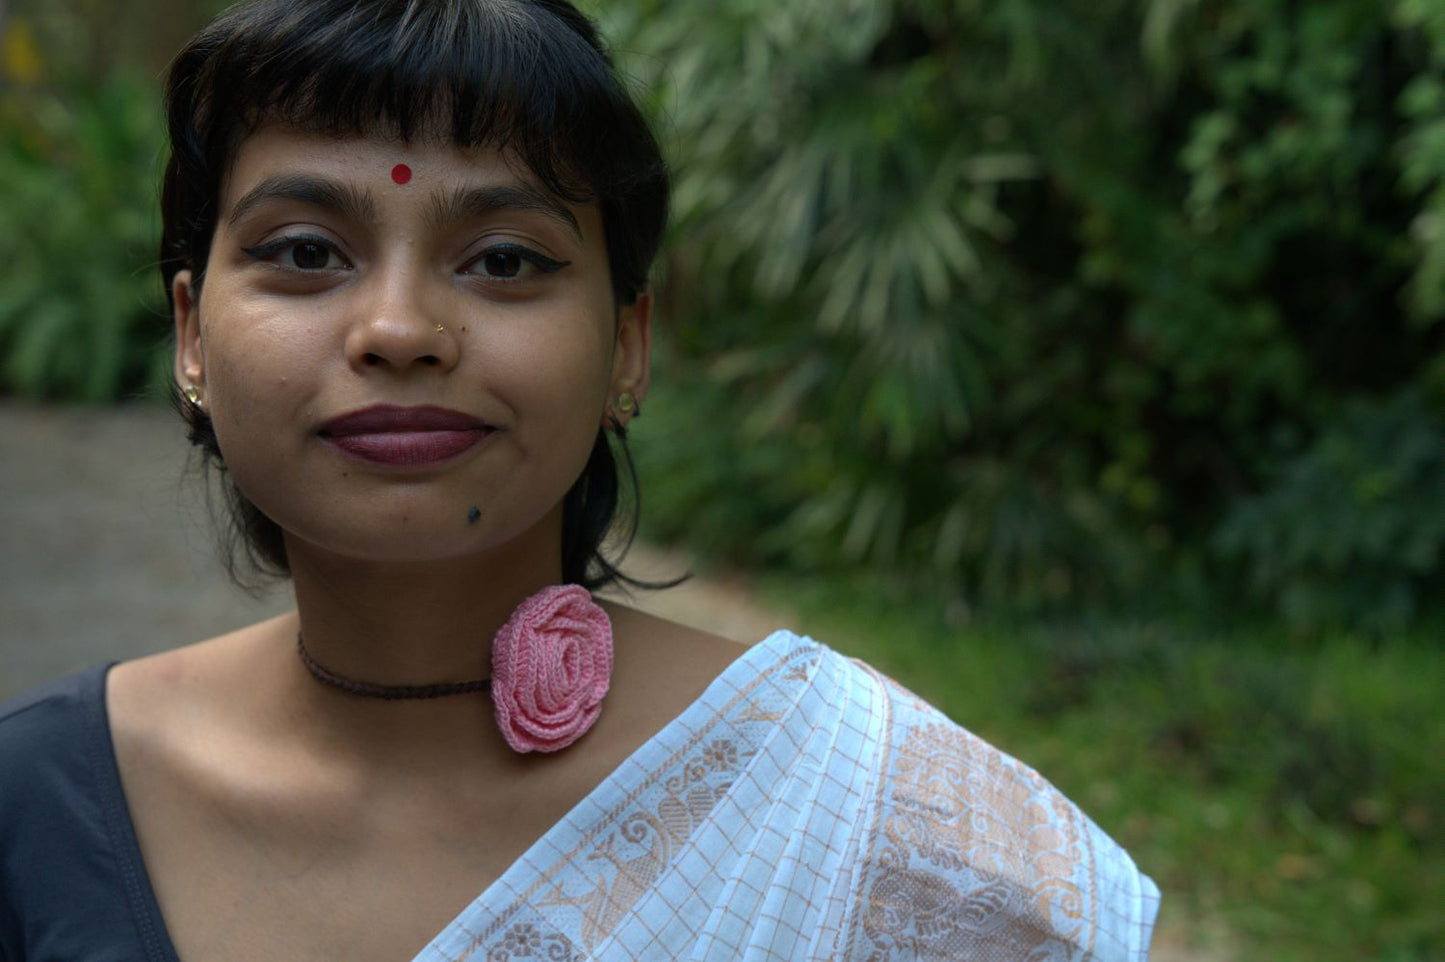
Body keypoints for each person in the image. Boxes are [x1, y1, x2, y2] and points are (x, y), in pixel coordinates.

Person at [0, 0, 1160, 959]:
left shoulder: (868, 810)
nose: (400, 328)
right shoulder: (35, 801)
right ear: (191, 334)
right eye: (307, 251)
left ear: (626, 346)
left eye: (503, 259)